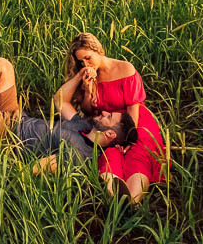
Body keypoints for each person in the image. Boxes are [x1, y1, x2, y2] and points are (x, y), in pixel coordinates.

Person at [0, 58, 136, 171]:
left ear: (110, 135)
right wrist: (81, 75)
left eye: (109, 117)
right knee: (4, 66)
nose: (104, 113)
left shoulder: (81, 155)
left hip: (6, 134)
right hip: (16, 116)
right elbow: (60, 100)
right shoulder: (83, 124)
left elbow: (33, 169)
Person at [55, 32, 166, 204]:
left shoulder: (125, 69)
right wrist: (88, 89)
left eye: (88, 58)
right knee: (110, 156)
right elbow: (88, 111)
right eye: (81, 62)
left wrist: (128, 140)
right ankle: (114, 199)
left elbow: (132, 108)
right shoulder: (91, 75)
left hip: (133, 124)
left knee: (136, 156)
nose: (85, 64)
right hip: (105, 125)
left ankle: (134, 201)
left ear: (98, 50)